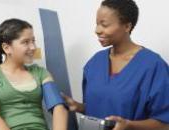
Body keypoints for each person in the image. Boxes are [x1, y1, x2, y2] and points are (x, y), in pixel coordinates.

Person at [62, 0, 169, 130]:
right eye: (97, 23)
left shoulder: (153, 66)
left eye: (104, 25)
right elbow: (100, 108)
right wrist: (78, 106)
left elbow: (164, 123)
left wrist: (129, 125)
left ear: (127, 27)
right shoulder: (94, 63)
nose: (97, 30)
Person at [0, 18, 68, 130]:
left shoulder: (40, 72)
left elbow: (58, 107)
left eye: (33, 41)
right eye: (26, 42)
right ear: (7, 48)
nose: (33, 47)